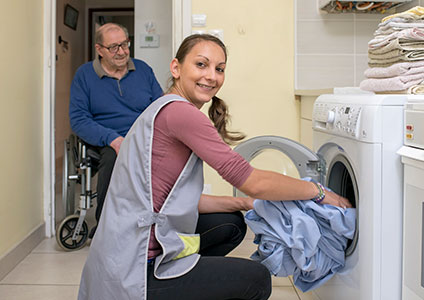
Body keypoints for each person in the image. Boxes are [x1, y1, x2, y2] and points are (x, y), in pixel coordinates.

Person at [78, 34, 352, 300]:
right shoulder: (181, 114)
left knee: (230, 225)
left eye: (219, 69)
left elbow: (176, 200)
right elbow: (252, 180)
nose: (211, 76)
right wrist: (317, 191)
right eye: (201, 64)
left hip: (121, 251)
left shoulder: (162, 107)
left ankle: (189, 284)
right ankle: (169, 287)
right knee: (256, 279)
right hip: (137, 268)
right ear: (176, 67)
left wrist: (244, 204)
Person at [69, 23, 164, 237]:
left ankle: (157, 225)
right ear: (99, 49)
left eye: (124, 44)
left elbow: (159, 107)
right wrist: (112, 138)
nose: (121, 52)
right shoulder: (84, 75)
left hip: (143, 137)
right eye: (113, 47)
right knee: (114, 157)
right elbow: (78, 119)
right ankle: (106, 229)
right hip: (107, 141)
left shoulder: (143, 70)